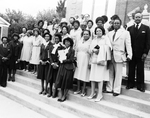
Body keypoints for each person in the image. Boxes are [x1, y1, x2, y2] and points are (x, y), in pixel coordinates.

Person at [106, 18, 132, 96]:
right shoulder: (109, 33)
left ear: (120, 24)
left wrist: (129, 55)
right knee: (110, 72)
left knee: (118, 73)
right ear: (113, 24)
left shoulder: (125, 33)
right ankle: (109, 88)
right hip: (110, 55)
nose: (116, 24)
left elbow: (128, 44)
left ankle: (116, 90)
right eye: (115, 23)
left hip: (119, 55)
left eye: (117, 23)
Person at [126, 11, 150, 92]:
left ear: (141, 18)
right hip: (132, 53)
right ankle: (130, 84)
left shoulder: (146, 28)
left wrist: (145, 53)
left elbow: (148, 42)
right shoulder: (130, 28)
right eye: (136, 17)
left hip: (141, 53)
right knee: (131, 69)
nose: (137, 19)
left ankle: (140, 86)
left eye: (139, 17)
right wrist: (128, 53)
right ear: (134, 18)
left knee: (140, 69)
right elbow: (128, 42)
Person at [87, 26, 111, 101]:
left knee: (100, 77)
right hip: (94, 59)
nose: (98, 32)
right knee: (93, 77)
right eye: (97, 31)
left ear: (103, 31)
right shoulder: (94, 39)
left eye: (100, 31)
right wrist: (92, 50)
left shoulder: (105, 39)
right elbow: (90, 49)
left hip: (101, 60)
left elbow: (109, 47)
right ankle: (92, 92)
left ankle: (99, 94)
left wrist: (100, 49)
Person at [55, 37, 75, 102]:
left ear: (71, 43)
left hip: (68, 67)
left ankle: (64, 96)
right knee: (61, 81)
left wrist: (64, 60)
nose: (66, 43)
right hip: (62, 67)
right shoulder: (63, 49)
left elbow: (71, 60)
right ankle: (62, 94)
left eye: (68, 42)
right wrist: (59, 57)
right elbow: (60, 58)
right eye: (65, 42)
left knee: (66, 82)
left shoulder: (72, 50)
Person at [74, 30, 91, 97]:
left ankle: (83, 90)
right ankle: (78, 89)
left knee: (84, 74)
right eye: (84, 34)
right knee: (78, 73)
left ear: (89, 35)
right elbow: (76, 49)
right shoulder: (79, 41)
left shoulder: (91, 42)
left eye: (87, 34)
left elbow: (91, 52)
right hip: (79, 58)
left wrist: (90, 62)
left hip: (86, 59)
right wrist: (75, 57)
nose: (85, 35)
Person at [46, 33, 64, 98]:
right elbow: (50, 55)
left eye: (57, 38)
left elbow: (61, 56)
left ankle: (55, 92)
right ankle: (50, 91)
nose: (56, 39)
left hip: (57, 65)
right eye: (55, 38)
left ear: (59, 39)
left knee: (56, 79)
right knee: (50, 78)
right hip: (52, 64)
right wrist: (52, 63)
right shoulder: (51, 46)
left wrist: (57, 64)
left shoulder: (61, 47)